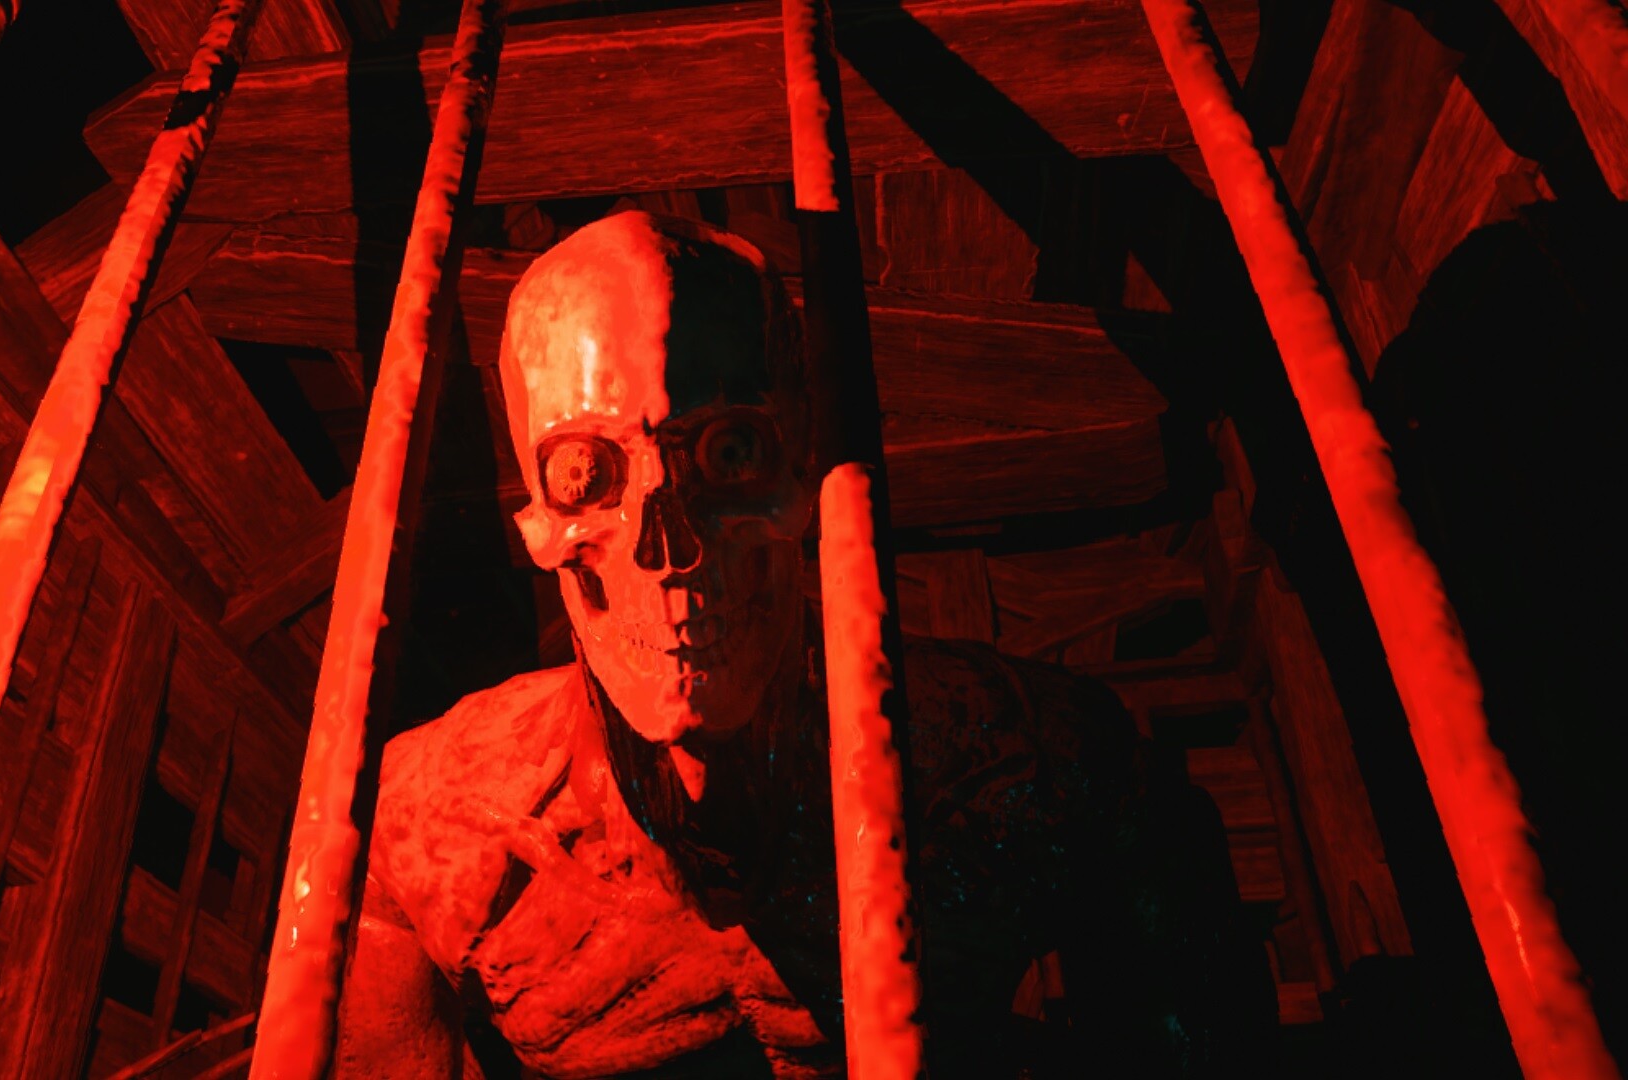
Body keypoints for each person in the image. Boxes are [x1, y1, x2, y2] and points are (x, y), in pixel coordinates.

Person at [335, 212, 1273, 1077]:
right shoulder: (430, 833)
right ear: (539, 525)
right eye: (587, 473)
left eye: (729, 454)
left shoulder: (1031, 764)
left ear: (803, 479)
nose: (669, 549)